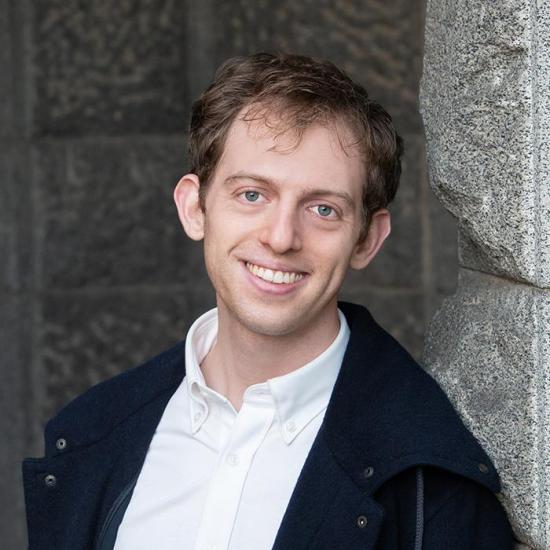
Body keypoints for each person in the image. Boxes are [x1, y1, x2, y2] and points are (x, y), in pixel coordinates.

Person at [22, 53, 514, 549]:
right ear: (195, 208)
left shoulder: (431, 484)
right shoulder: (90, 434)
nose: (281, 238)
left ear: (367, 239)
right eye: (252, 195)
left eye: (323, 209)